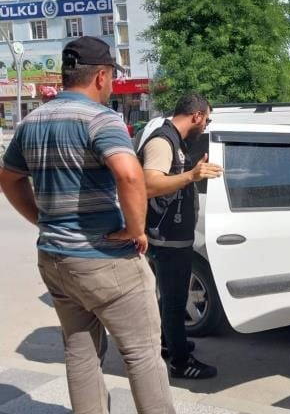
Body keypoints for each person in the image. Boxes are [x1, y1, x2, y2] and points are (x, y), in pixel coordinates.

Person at [0, 36, 175, 413]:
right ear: (100, 76)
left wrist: (41, 218)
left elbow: (8, 178)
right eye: (111, 75)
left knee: (80, 354)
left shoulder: (32, 121)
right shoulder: (102, 119)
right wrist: (136, 230)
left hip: (55, 259)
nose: (112, 82)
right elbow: (130, 176)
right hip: (104, 259)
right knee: (143, 355)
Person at [138, 93, 222, 380]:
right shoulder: (164, 141)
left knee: (170, 298)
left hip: (174, 235)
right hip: (166, 238)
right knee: (174, 301)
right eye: (207, 119)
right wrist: (191, 175)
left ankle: (168, 342)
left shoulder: (177, 141)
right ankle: (180, 361)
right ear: (196, 116)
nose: (206, 125)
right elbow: (149, 184)